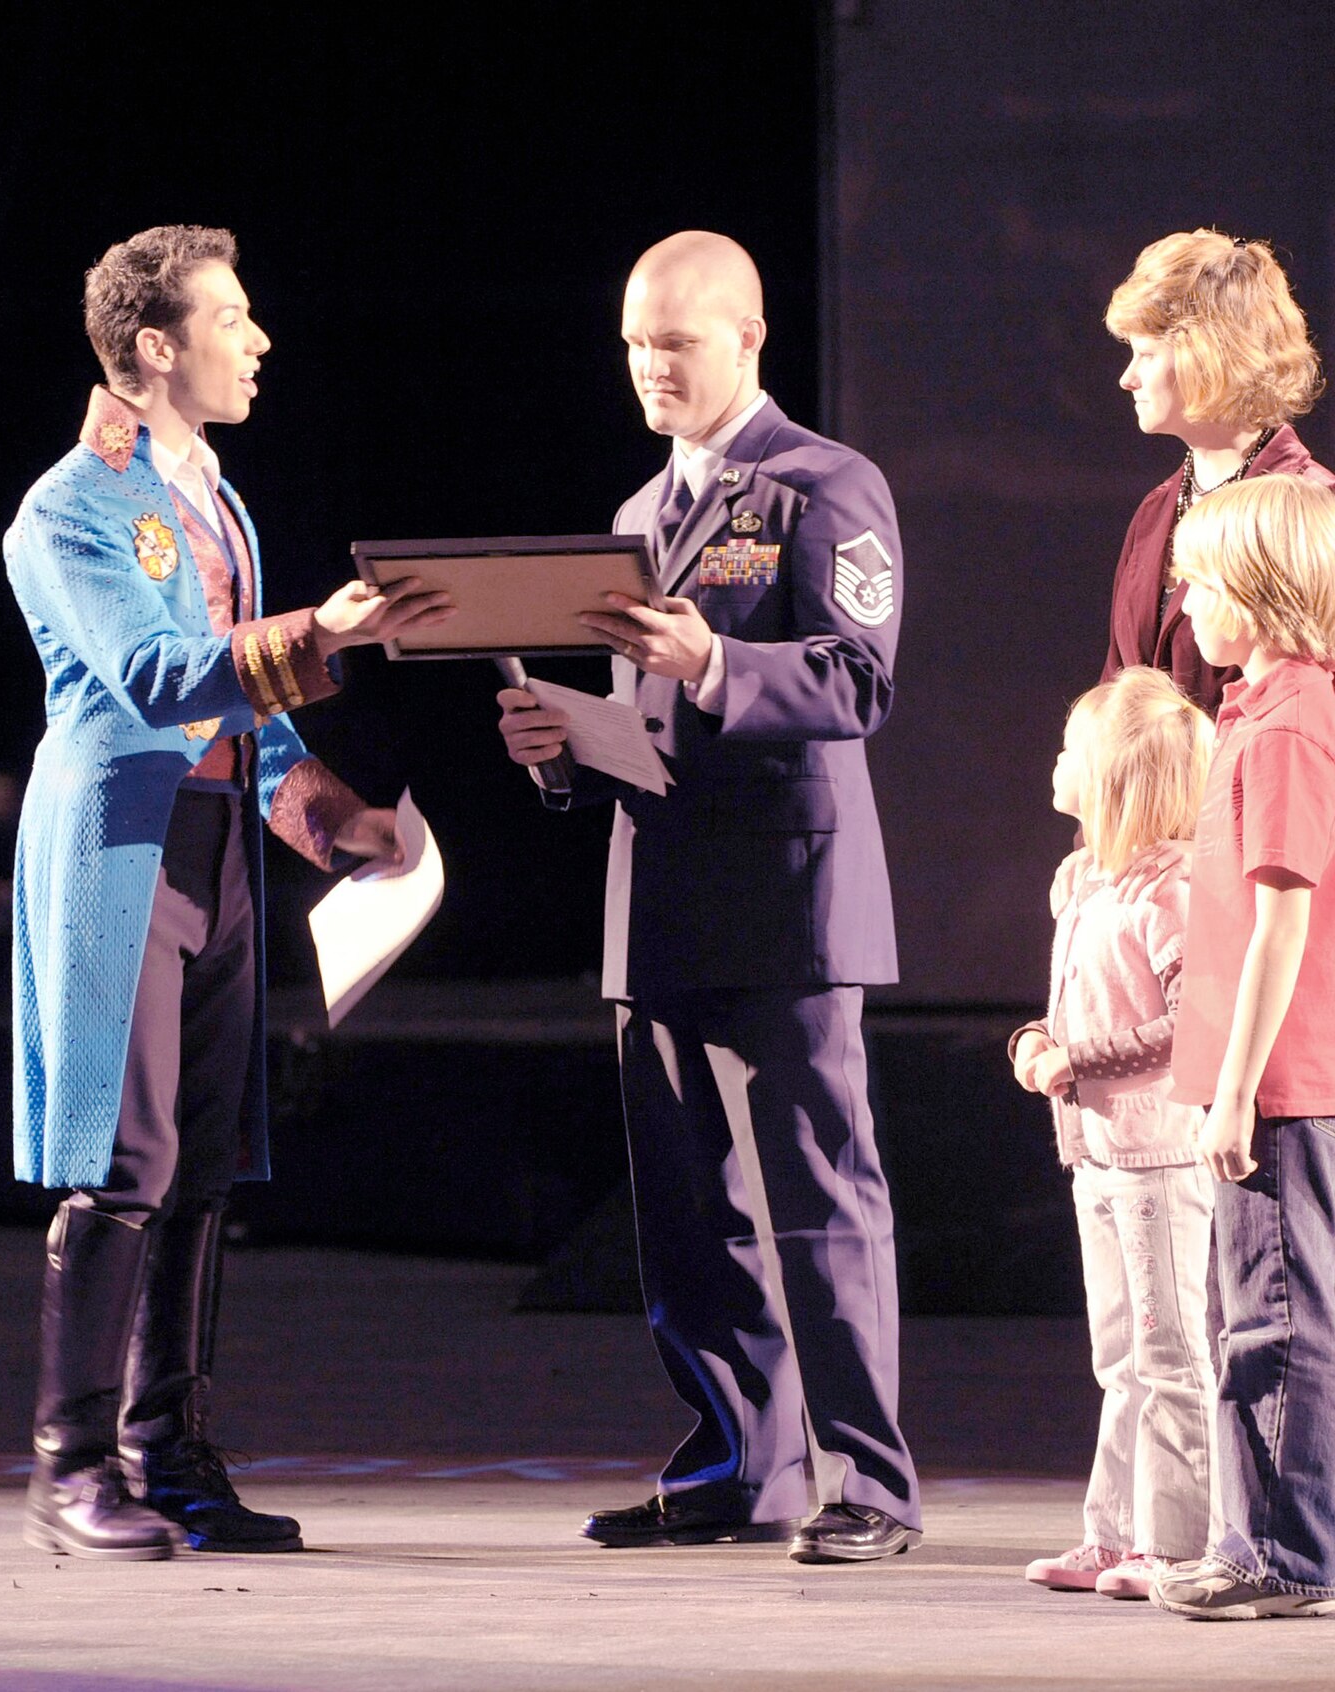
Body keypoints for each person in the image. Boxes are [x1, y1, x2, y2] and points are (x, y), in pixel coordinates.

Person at [5, 225, 450, 1560]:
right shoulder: (71, 507)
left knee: (201, 1159)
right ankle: (70, 1463)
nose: (256, 339)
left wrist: (335, 819)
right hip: (122, 848)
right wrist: (321, 632)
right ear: (155, 347)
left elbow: (244, 727)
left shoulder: (216, 497)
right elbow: (155, 680)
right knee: (123, 1158)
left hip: (216, 853)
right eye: (232, 317)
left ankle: (170, 1453)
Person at [495, 231, 919, 1564]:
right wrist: (564, 749)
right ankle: (745, 1463)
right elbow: (644, 726)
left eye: (675, 342)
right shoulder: (635, 517)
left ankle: (868, 1484)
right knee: (690, 1217)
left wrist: (720, 662)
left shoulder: (826, 487)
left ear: (746, 338)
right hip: (662, 903)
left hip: (786, 903)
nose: (650, 366)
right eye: (634, 342)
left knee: (817, 1204)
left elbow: (857, 681)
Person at [1102, 228, 1335, 1500]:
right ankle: (1207, 1502)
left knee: (1274, 1199)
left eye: (1145, 350)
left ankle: (1296, 1499)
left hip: (1271, 875)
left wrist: (1244, 841)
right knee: (1189, 1201)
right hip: (1173, 879)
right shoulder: (1158, 513)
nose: (1127, 378)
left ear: (1205, 354)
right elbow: (1127, 704)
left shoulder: (1310, 505)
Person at [1146, 475, 1335, 1620]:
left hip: (1272, 1080)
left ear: (1262, 595)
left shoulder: (1286, 730)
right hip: (1254, 1077)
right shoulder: (1256, 715)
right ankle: (1259, 1541)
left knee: (1273, 1322)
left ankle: (1289, 1555)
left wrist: (1234, 1090)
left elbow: (1283, 921)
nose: (1181, 602)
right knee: (1253, 1313)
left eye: (1200, 582)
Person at [1012, 668, 1217, 1601]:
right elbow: (1078, 1003)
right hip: (1097, 1156)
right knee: (1121, 1356)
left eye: (1072, 751)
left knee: (1171, 1352)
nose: (1055, 761)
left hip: (1160, 1159)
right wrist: (1038, 1041)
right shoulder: (1089, 880)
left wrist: (1081, 1058)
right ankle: (1115, 1531)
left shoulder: (1170, 891)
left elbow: (1191, 1019)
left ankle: (1173, 1541)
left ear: (1117, 778)